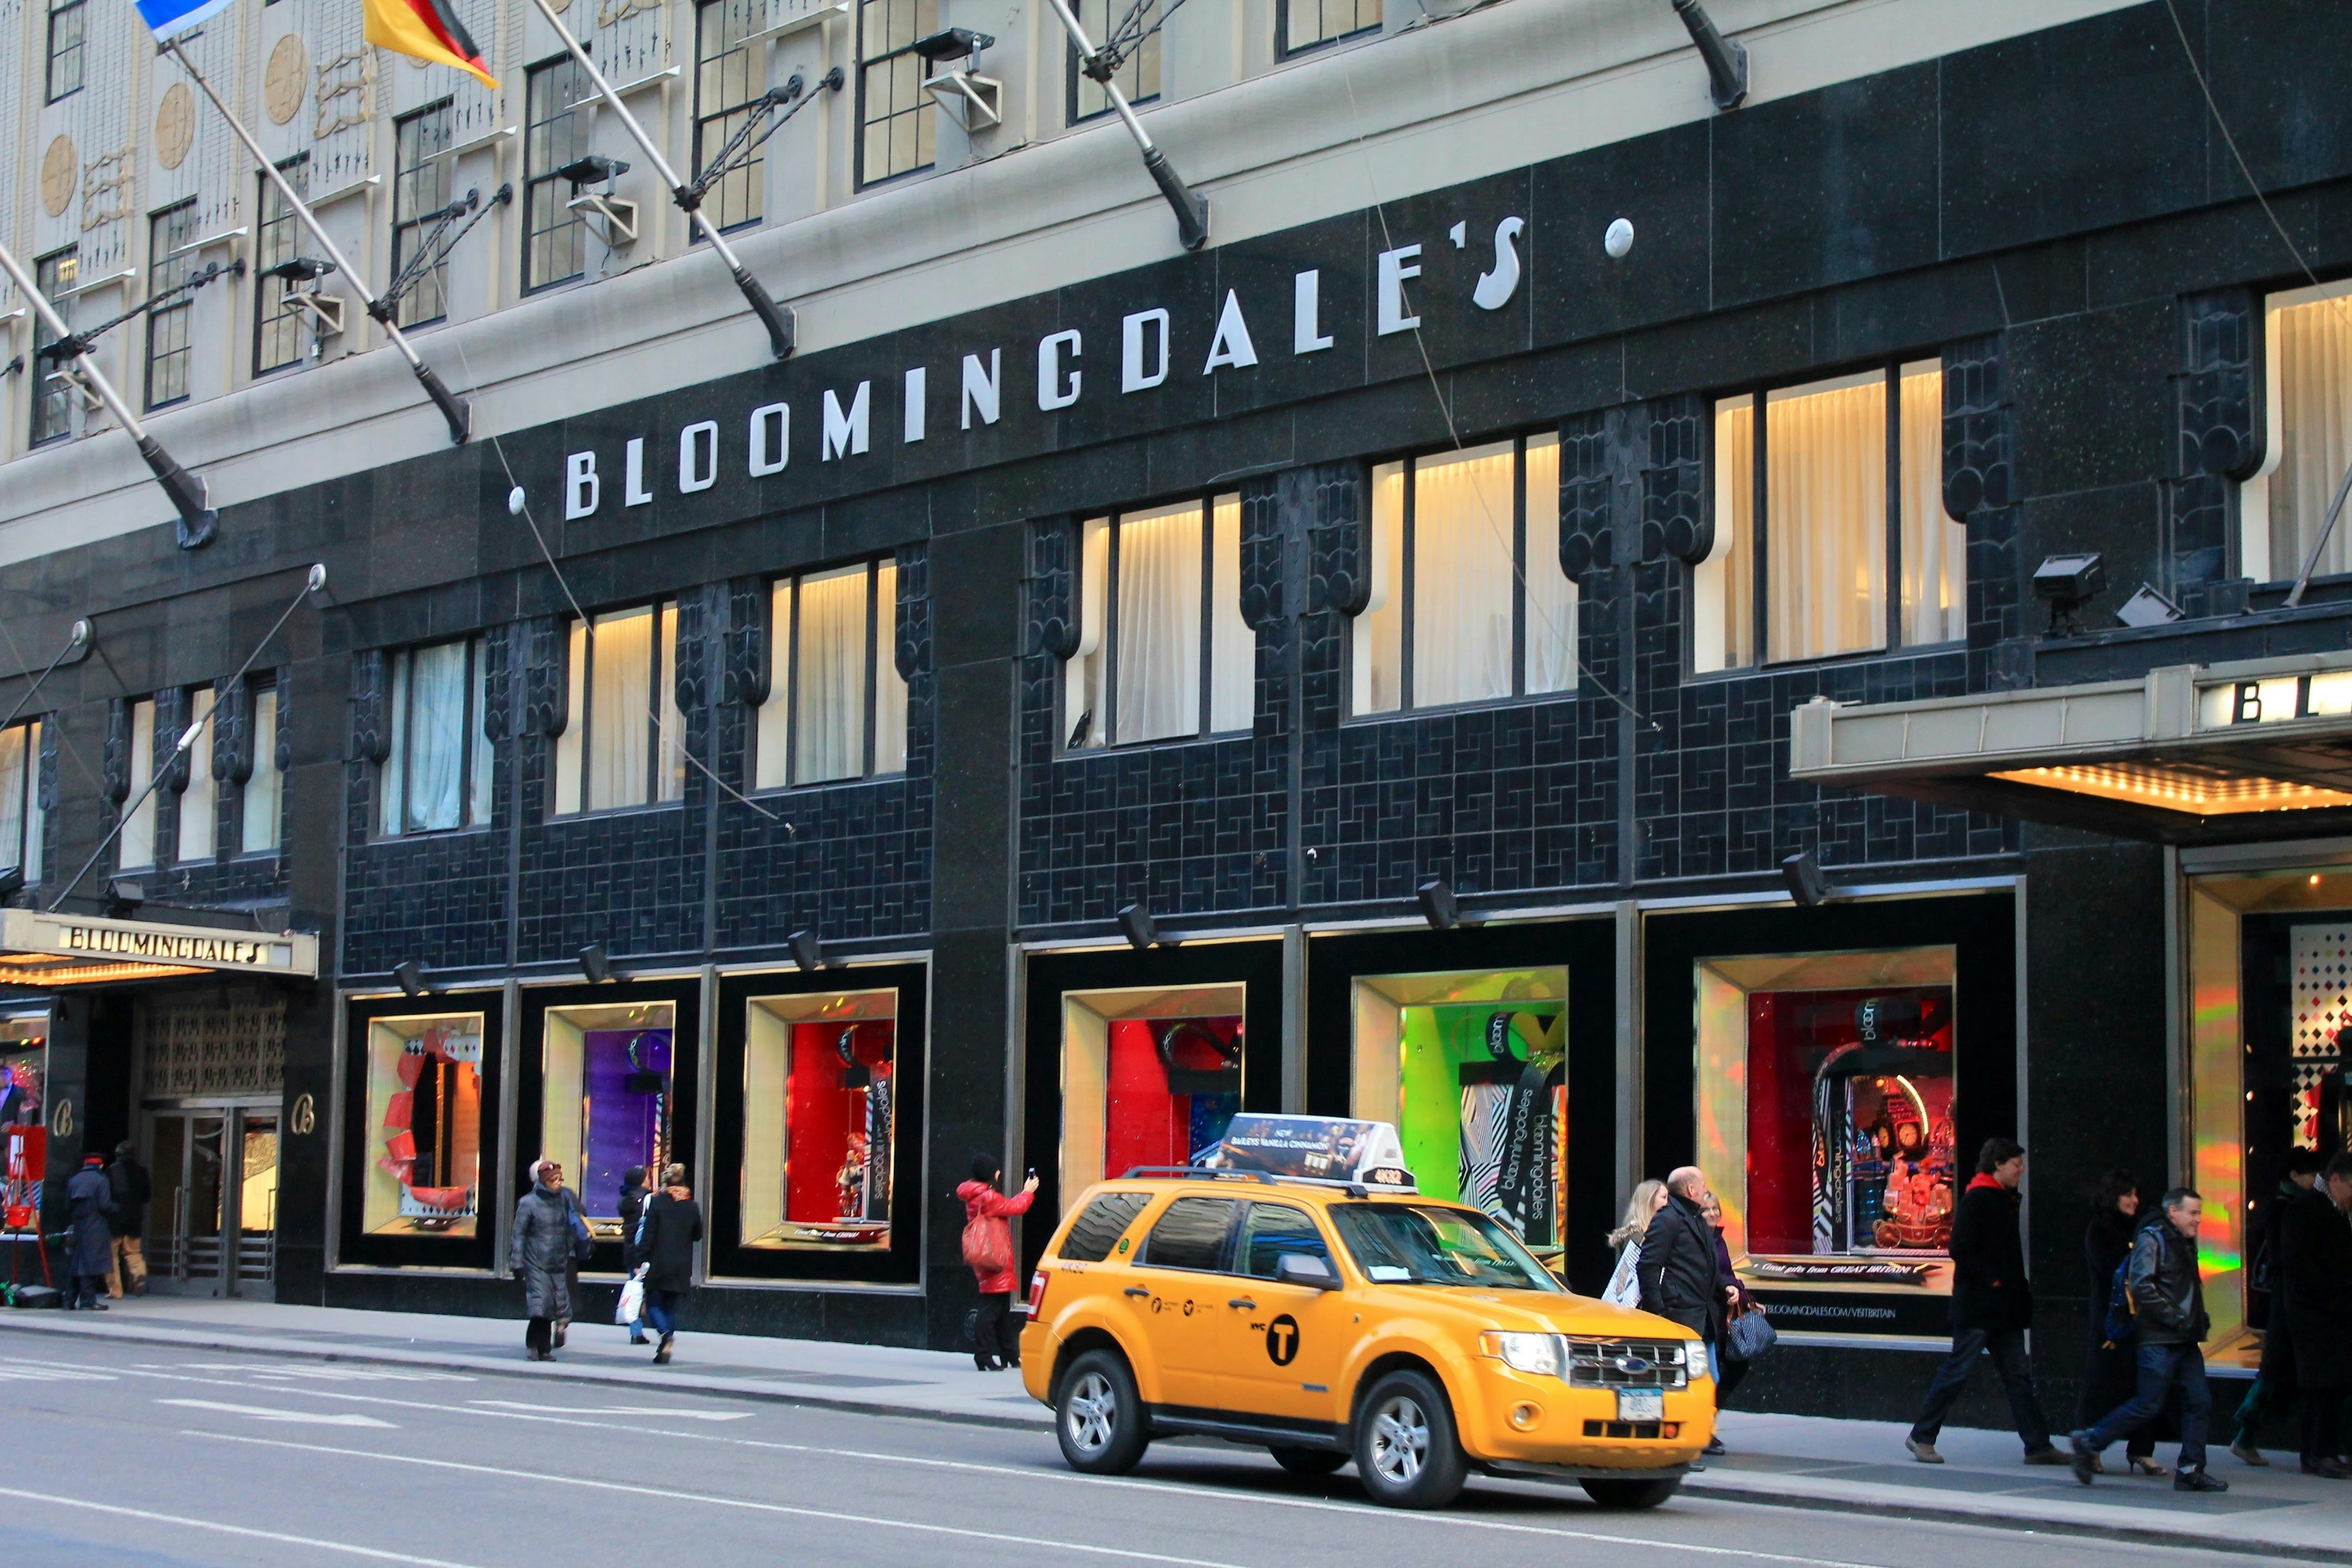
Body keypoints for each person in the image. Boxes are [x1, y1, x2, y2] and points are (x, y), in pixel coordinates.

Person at [1905, 1138, 2065, 1466]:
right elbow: (1960, 1248)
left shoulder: (1999, 1198)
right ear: (1998, 1165)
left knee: (2017, 1376)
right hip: (1981, 1306)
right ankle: (1922, 1436)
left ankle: (2038, 1445)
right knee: (1960, 1371)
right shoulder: (1981, 1199)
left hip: (1998, 1306)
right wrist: (1994, 1279)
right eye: (2016, 1164)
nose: (2021, 1170)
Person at [2071, 1187, 2226, 1493]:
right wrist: (2177, 1318)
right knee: (2148, 1403)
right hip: (2159, 1338)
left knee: (2198, 1401)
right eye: (2193, 1213)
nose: (2198, 1220)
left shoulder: (2182, 1241)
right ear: (2173, 1212)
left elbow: (2183, 1289)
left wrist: (2194, 1319)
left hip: (2183, 1338)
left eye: (2199, 1213)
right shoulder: (2152, 1239)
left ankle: (2191, 1469)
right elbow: (2142, 1285)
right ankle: (2089, 1441)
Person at [2234, 1148, 2325, 1466]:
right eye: (2310, 1174)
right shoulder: (2287, 1209)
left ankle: (2247, 1437)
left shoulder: (2293, 1205)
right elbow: (2283, 1256)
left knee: (2279, 1373)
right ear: (2294, 1175)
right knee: (2275, 1373)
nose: (2315, 1179)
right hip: (2288, 1303)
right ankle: (2245, 1436)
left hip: (2291, 1302)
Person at [2079, 1169, 2164, 1476]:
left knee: (2146, 1382)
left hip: (2141, 1317)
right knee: (2104, 1383)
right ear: (2113, 1197)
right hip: (2112, 1319)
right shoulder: (2101, 1230)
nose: (2135, 1200)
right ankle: (2090, 1445)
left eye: (2136, 1194)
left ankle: (2142, 1449)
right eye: (2128, 1194)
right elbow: (2113, 1270)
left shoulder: (2140, 1229)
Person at [2275, 1152, 2352, 1477]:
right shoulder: (2304, 1210)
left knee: (2333, 1384)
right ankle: (2320, 1453)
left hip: (2332, 1311)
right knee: (2322, 1385)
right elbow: (2298, 1264)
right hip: (2314, 1313)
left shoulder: (2336, 1210)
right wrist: (2336, 1292)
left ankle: (2322, 1452)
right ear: (2336, 1180)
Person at [1636, 1168, 1736, 1390]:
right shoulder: (1668, 1219)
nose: (1705, 1190)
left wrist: (1726, 1285)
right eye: (1703, 1186)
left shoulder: (1696, 1217)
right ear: (1692, 1189)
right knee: (1691, 1385)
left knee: (1710, 1383)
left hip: (1704, 1317)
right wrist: (1659, 1311)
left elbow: (1707, 1265)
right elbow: (1648, 1266)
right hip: (1680, 1317)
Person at [956, 1155, 1038, 1371]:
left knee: (1000, 1310)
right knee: (991, 1310)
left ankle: (1010, 1355)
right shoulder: (988, 1197)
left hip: (987, 1256)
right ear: (992, 1174)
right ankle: (983, 1356)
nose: (999, 1173)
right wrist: (1028, 1191)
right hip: (994, 1258)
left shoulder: (977, 1195)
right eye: (997, 1170)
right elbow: (1015, 1207)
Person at [1700, 1189, 1755, 1455]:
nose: (1713, 1214)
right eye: (1706, 1209)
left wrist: (1744, 1295)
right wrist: (1729, 1288)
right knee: (1712, 1376)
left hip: (1724, 1317)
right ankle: (1704, 1431)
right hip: (1707, 1318)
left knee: (1736, 1367)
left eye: (1716, 1209)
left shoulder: (1718, 1239)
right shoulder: (1698, 1239)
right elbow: (1709, 1276)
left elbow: (1728, 1273)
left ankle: (1707, 1424)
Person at [635, 1163, 703, 1366]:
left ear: (665, 1183)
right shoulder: (692, 1206)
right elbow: (698, 1235)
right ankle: (665, 1348)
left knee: (654, 1303)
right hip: (681, 1264)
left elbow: (648, 1234)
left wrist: (641, 1258)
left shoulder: (658, 1203)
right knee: (670, 1306)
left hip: (659, 1261)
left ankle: (665, 1335)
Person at [510, 1159, 578, 1360]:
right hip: (536, 1262)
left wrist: (569, 1248)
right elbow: (519, 1234)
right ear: (544, 1181)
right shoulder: (528, 1203)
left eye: (560, 1179)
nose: (558, 1183)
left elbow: (568, 1228)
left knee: (553, 1306)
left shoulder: (563, 1200)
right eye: (554, 1180)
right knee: (540, 1305)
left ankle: (545, 1349)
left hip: (557, 1261)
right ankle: (533, 1346)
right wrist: (517, 1263)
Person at [63, 1153, 116, 1310]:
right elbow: (105, 1205)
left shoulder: (74, 1180)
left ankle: (69, 1300)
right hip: (96, 1227)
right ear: (101, 1165)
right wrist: (118, 1208)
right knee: (90, 1264)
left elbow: (67, 1206)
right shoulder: (101, 1180)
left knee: (77, 1263)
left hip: (79, 1227)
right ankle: (88, 1301)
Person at [1603, 1179, 1666, 1308]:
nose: (1668, 1203)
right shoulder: (1637, 1236)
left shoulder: (1646, 1233)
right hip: (1638, 1305)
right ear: (1649, 1200)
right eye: (1664, 1197)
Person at [105, 1141, 151, 1300]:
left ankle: (115, 1291)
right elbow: (147, 1197)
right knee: (133, 1252)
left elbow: (107, 1197)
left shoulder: (112, 1171)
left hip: (115, 1221)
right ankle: (139, 1274)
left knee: (112, 1256)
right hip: (135, 1220)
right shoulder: (142, 1172)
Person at [618, 1164, 653, 1347]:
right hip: (645, 1251)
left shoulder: (625, 1200)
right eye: (647, 1178)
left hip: (630, 1252)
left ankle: (636, 1331)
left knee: (635, 1290)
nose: (649, 1181)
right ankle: (662, 1326)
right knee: (650, 1290)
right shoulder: (647, 1200)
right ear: (641, 1182)